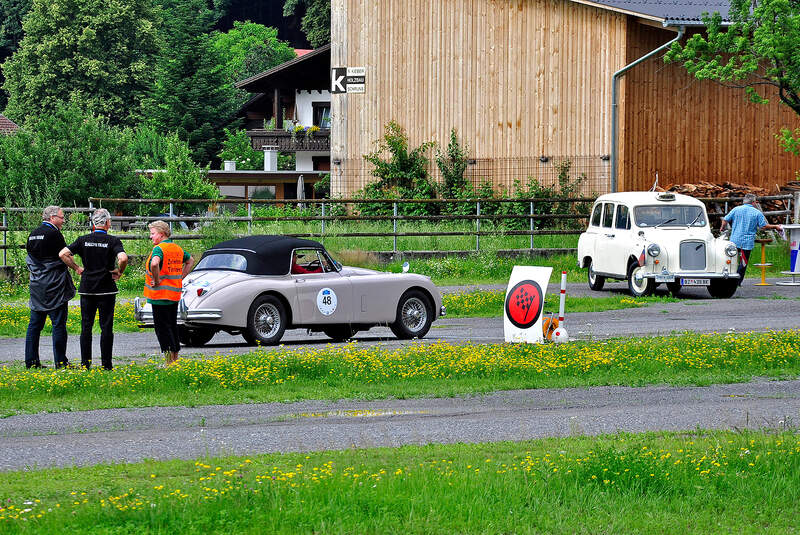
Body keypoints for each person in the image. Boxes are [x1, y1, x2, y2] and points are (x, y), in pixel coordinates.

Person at [59, 209, 128, 370]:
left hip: (87, 288)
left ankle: (85, 364)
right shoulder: (113, 241)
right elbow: (123, 258)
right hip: (106, 289)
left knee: (86, 326)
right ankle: (106, 365)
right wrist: (120, 271)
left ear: (93, 224)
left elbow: (63, 253)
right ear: (108, 223)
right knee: (106, 327)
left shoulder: (83, 240)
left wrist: (76, 267)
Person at [25, 206, 75, 369]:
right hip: (55, 285)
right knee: (58, 324)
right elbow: (64, 255)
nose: (63, 220)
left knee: (34, 325)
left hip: (37, 285)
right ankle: (60, 362)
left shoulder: (32, 234)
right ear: (52, 217)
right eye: (61, 217)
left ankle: (31, 361)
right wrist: (76, 267)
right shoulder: (54, 234)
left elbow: (32, 259)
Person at [144, 220, 193, 366]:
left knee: (162, 329)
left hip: (159, 296)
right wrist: (181, 277)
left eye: (152, 233)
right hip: (174, 294)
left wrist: (157, 280)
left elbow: (154, 263)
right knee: (172, 326)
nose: (151, 237)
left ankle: (168, 362)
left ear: (161, 233)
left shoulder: (159, 249)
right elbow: (190, 260)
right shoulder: (177, 248)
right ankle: (175, 358)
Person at [721, 193, 783, 285]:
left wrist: (722, 228)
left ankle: (727, 279)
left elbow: (725, 219)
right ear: (753, 202)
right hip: (747, 242)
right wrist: (776, 226)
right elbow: (764, 226)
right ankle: (737, 282)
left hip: (734, 240)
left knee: (731, 261)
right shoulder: (757, 212)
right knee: (743, 263)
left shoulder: (736, 209)